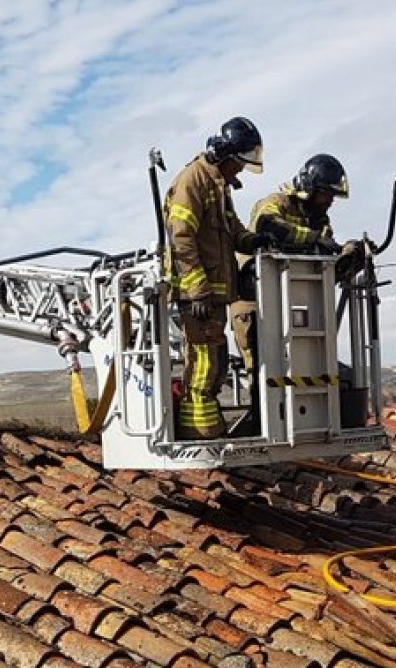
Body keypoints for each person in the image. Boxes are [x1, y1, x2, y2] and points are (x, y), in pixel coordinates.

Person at [164, 116, 273, 440]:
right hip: (199, 298)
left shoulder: (216, 184)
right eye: (238, 164)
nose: (239, 171)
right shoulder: (192, 181)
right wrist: (197, 290)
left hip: (213, 297)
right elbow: (180, 237)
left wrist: (252, 240)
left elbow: (231, 228)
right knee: (203, 367)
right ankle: (200, 434)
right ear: (225, 157)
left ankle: (209, 431)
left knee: (217, 365)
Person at [230, 153, 348, 374]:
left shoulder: (318, 220)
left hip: (291, 304)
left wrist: (345, 253)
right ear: (309, 188)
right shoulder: (274, 203)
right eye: (326, 194)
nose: (330, 201)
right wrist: (313, 239)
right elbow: (269, 227)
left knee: (303, 369)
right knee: (264, 374)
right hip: (254, 302)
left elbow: (324, 252)